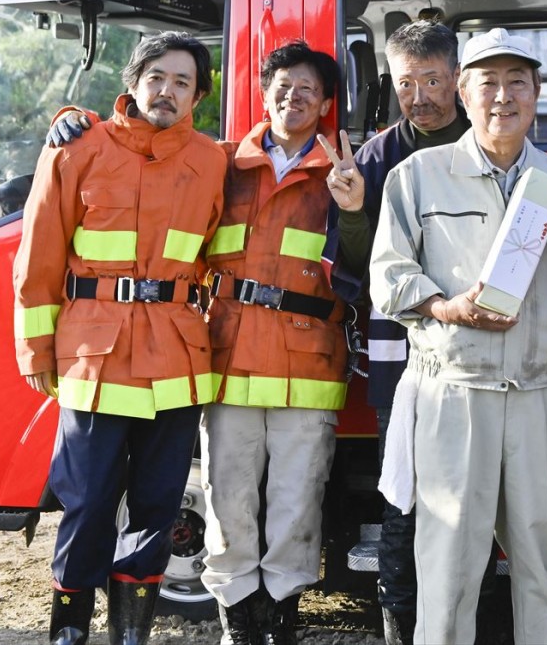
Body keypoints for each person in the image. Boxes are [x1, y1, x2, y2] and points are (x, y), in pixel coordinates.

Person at [369, 28, 547, 645]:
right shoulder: (418, 175)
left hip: (537, 396)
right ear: (463, 91)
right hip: (454, 393)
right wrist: (448, 309)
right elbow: (388, 276)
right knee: (448, 568)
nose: (503, 97)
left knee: (539, 563)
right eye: (488, 83)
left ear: (537, 94)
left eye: (518, 83)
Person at [13, 32, 226, 645]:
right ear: (133, 82)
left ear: (199, 96)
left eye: (183, 82)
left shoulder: (213, 160)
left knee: (158, 510)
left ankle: (129, 634)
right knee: (85, 507)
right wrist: (36, 348)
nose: (167, 90)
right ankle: (70, 632)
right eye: (156, 76)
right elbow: (38, 257)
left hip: (177, 359)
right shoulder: (77, 148)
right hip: (92, 360)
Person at [320, 21, 477, 645]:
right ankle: (399, 625)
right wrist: (355, 210)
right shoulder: (376, 157)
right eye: (407, 82)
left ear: (457, 80)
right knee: (403, 498)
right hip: (400, 363)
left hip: (475, 357)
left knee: (473, 499)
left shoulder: (488, 143)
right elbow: (356, 267)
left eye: (434, 80)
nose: (421, 96)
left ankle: (467, 619)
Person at [200, 42, 347, 645]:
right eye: (283, 86)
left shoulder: (345, 174)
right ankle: (237, 616)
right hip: (230, 356)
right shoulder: (220, 162)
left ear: (326, 104)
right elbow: (143, 154)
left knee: (297, 500)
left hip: (308, 362)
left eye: (307, 90)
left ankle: (281, 616)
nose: (293, 97)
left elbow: (363, 263)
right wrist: (68, 121)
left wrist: (354, 209)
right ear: (263, 94)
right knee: (227, 498)